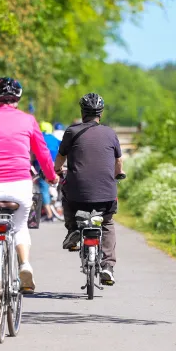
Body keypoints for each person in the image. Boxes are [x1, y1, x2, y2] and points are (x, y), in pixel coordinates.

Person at [0, 77, 58, 310]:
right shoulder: (28, 120)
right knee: (20, 227)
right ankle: (24, 263)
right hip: (20, 185)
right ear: (18, 97)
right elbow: (42, 152)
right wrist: (51, 176)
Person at [54, 92, 124, 285]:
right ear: (100, 113)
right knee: (107, 222)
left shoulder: (71, 131)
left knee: (66, 194)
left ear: (82, 112)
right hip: (106, 194)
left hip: (78, 193)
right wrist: (118, 173)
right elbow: (118, 161)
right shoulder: (110, 133)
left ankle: (73, 231)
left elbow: (61, 157)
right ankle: (108, 266)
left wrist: (58, 170)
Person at [38, 121, 61, 222]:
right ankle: (58, 209)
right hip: (56, 167)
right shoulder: (54, 139)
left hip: (41, 168)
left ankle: (49, 214)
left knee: (43, 190)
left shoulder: (40, 139)